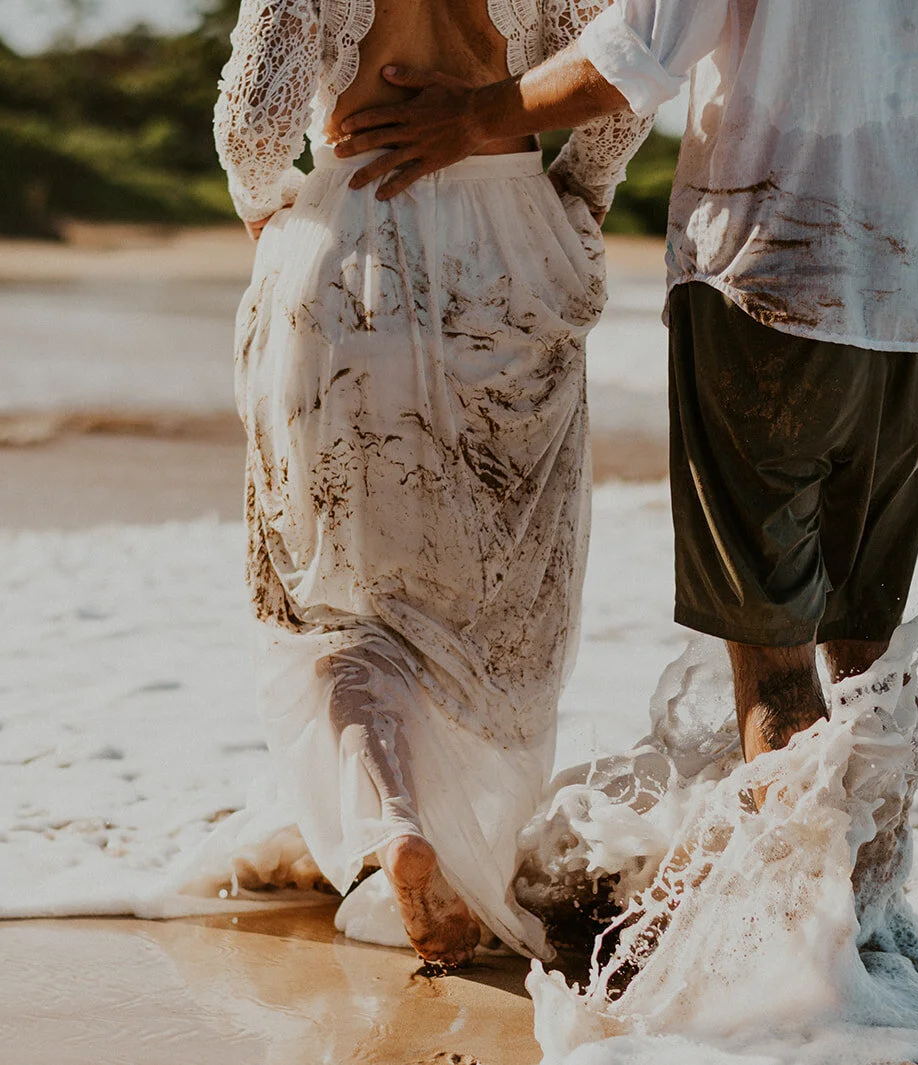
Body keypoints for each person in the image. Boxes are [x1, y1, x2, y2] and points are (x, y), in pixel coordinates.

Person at [331, 2, 918, 786]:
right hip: (915, 301)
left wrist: (475, 117)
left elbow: (641, 50)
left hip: (765, 283)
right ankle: (870, 904)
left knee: (778, 672)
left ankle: (804, 910)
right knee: (871, 664)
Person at [213, 0, 652, 968]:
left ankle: (399, 819)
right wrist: (578, 193)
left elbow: (252, 120)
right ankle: (460, 847)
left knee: (339, 598)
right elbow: (624, 83)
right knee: (501, 600)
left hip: (352, 236)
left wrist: (268, 205)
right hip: (506, 251)